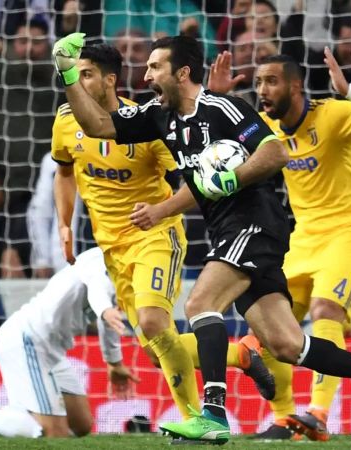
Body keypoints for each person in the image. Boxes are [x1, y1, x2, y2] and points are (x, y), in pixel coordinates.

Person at [50, 33, 351, 443]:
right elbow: (97, 124)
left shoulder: (222, 108)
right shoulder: (159, 116)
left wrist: (230, 178)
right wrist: (68, 71)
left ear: (183, 72)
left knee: (200, 302)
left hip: (257, 223)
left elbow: (275, 154)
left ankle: (212, 414)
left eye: (155, 67)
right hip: (226, 231)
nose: (146, 75)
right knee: (287, 345)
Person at [48, 42, 274, 425]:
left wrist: (163, 210)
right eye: (77, 74)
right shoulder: (66, 120)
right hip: (112, 247)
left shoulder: (148, 125)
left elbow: (193, 179)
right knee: (157, 350)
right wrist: (65, 222)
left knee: (154, 323)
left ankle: (196, 419)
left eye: (88, 74)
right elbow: (65, 171)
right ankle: (241, 356)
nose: (81, 81)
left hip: (156, 236)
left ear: (109, 80)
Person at [208, 52, 351, 440]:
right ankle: (285, 419)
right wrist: (219, 101)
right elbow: (222, 149)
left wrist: (350, 92)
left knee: (325, 309)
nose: (262, 90)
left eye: (271, 82)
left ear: (295, 86)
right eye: (259, 82)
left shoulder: (332, 114)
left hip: (350, 230)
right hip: (302, 238)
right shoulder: (266, 128)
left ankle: (317, 413)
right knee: (267, 328)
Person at [0, 247, 136, 438]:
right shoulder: (99, 258)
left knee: (81, 425)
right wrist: (104, 309)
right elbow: (97, 287)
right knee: (53, 433)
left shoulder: (128, 272)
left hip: (51, 349)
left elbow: (110, 318)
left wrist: (114, 362)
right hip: (27, 340)